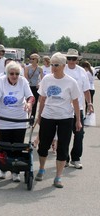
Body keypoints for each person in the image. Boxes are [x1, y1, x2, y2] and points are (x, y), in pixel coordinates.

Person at [35, 52, 82, 188]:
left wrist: (78, 120)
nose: (53, 67)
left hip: (65, 117)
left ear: (63, 66)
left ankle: (58, 177)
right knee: (43, 145)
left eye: (56, 65)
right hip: (48, 116)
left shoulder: (71, 82)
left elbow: (76, 102)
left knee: (63, 147)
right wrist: (39, 116)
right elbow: (42, 99)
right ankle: (42, 168)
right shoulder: (47, 79)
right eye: (52, 64)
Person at [0, 61, 35, 182]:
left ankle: (15, 171)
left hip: (20, 118)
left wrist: (29, 103)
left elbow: (30, 96)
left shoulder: (23, 81)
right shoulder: (2, 81)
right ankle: (3, 168)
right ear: (7, 73)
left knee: (17, 145)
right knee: (4, 144)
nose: (14, 76)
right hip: (4, 119)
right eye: (12, 73)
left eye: (17, 73)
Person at [64, 48, 93, 169]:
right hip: (64, 108)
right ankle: (64, 158)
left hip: (78, 108)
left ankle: (75, 158)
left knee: (79, 134)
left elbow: (86, 90)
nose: (71, 61)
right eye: (69, 58)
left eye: (73, 59)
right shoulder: (62, 69)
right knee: (64, 135)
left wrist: (90, 103)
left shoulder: (82, 72)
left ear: (77, 60)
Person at [24, 53, 43, 123]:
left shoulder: (40, 68)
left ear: (37, 60)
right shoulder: (27, 68)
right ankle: (26, 116)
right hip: (29, 87)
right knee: (27, 102)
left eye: (33, 59)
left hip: (36, 87)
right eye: (31, 58)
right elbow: (25, 77)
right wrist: (27, 84)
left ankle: (32, 118)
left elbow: (42, 79)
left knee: (34, 103)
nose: (31, 60)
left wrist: (39, 84)